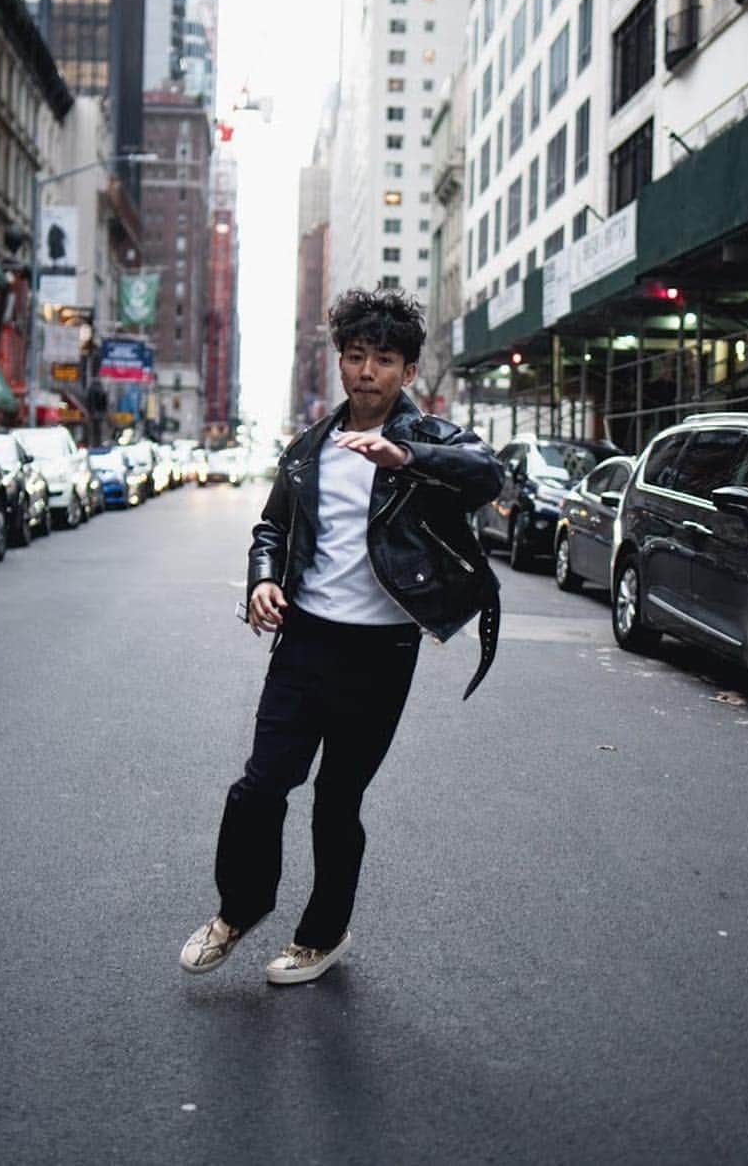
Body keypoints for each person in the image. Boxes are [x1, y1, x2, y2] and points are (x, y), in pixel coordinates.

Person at [180, 289, 502, 985]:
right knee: (260, 786)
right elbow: (271, 526)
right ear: (339, 361)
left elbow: (488, 475)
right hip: (304, 641)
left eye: (383, 359)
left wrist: (405, 458)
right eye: (354, 356)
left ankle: (321, 935)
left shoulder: (433, 439)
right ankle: (238, 910)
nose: (365, 371)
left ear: (408, 370)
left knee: (337, 799)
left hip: (382, 653)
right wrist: (263, 578)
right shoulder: (310, 447)